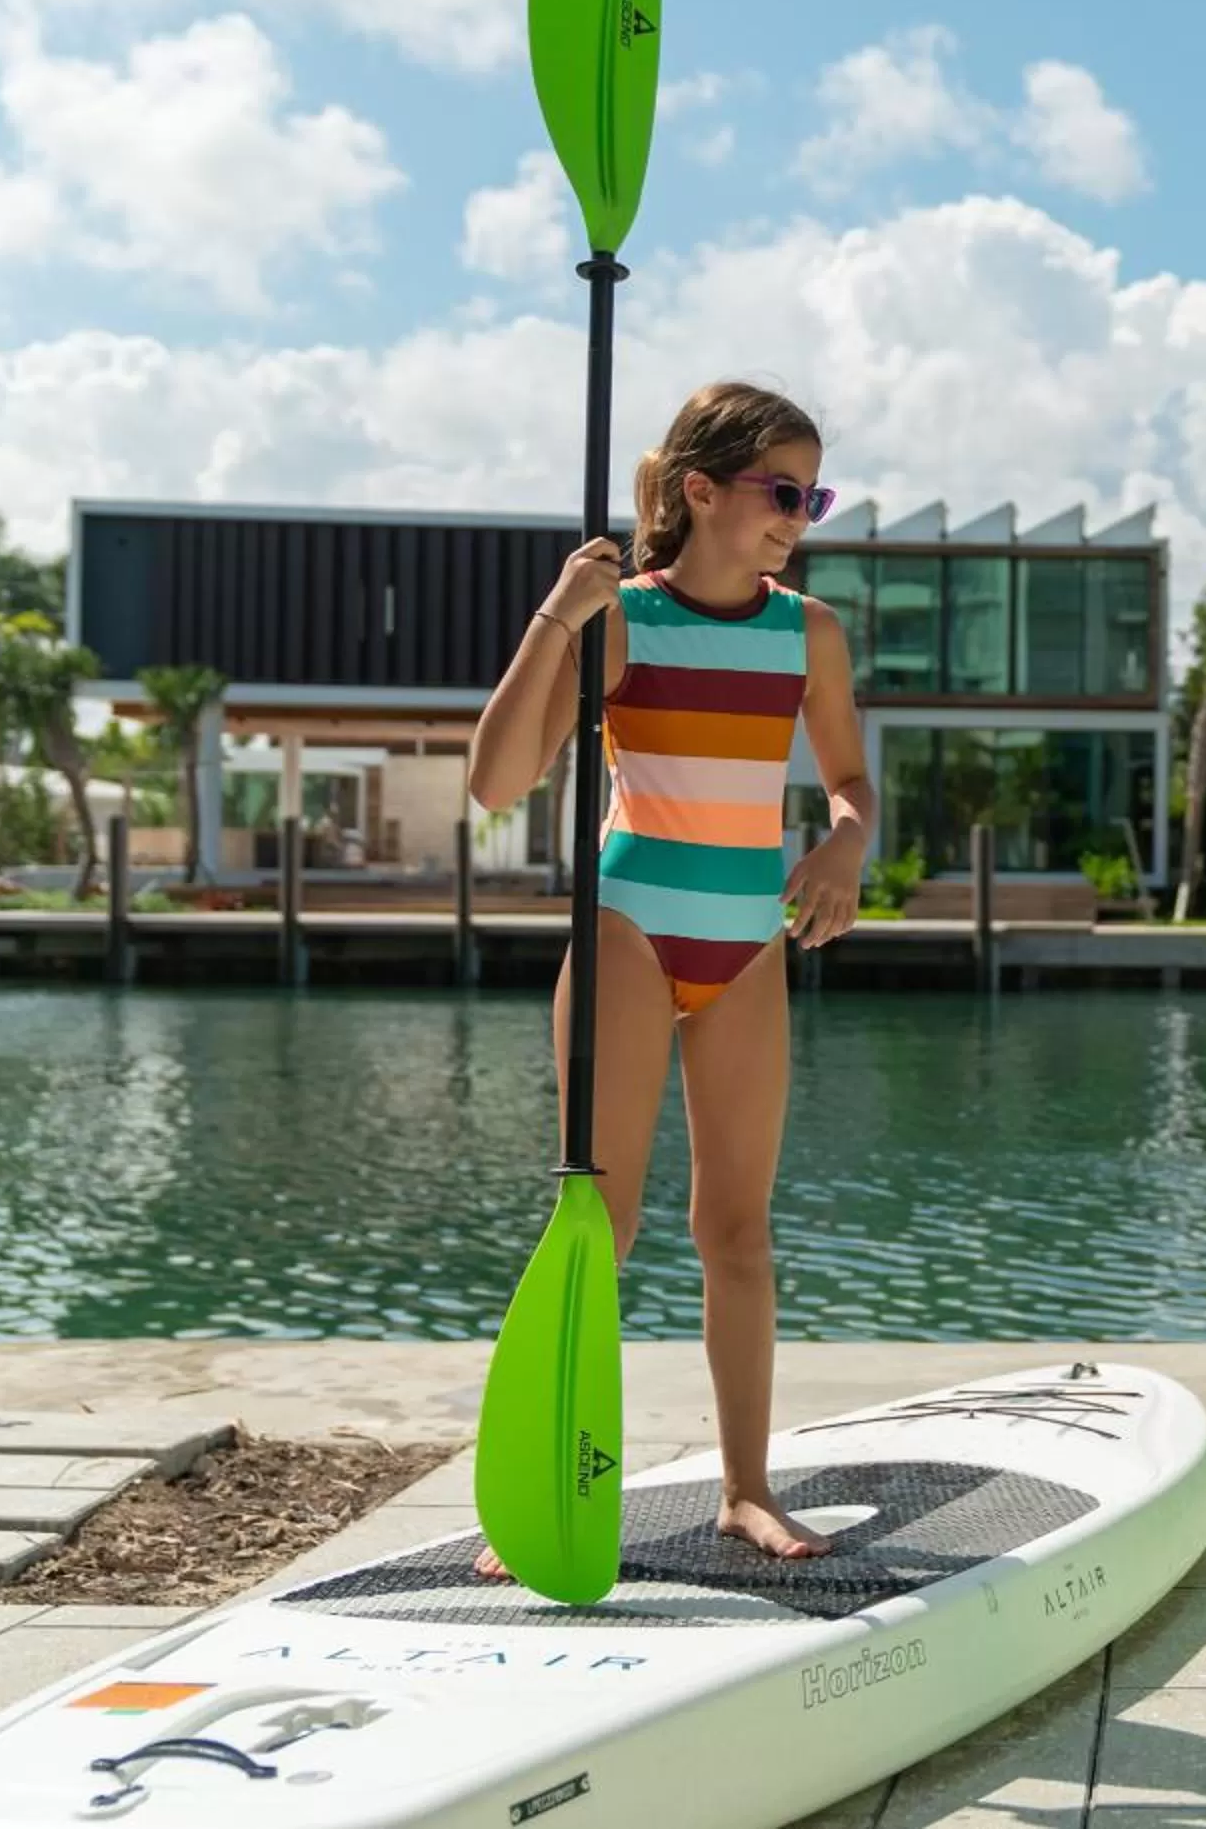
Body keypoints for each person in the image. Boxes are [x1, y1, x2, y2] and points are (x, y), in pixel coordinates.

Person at [465, 378, 875, 1567]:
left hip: (746, 946)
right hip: (631, 936)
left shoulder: (810, 633)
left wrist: (845, 843)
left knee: (737, 1229)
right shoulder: (622, 620)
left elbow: (849, 780)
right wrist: (558, 616)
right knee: (602, 1220)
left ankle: (746, 1489)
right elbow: (496, 782)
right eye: (782, 492)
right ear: (701, 490)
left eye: (813, 498)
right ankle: (543, 1481)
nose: (799, 517)